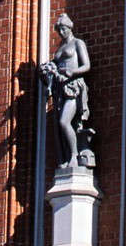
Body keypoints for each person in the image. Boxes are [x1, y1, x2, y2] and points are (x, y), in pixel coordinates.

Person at [40, 13, 93, 168]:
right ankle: (67, 155)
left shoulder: (77, 43)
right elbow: (54, 66)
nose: (61, 32)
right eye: (59, 30)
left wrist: (73, 72)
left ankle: (74, 155)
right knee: (59, 124)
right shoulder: (61, 48)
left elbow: (86, 65)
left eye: (63, 29)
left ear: (69, 28)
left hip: (73, 87)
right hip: (60, 88)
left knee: (64, 121)